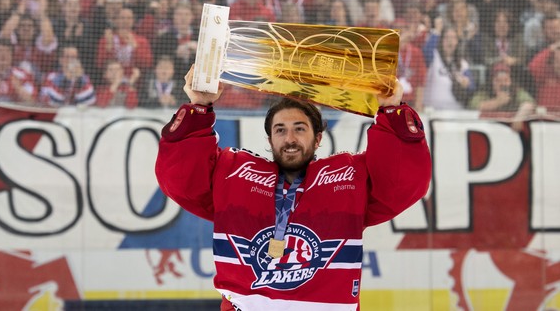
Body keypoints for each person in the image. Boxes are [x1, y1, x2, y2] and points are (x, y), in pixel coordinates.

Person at [155, 66, 431, 310]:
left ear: (318, 137)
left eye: (300, 129)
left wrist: (392, 110)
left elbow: (401, 183)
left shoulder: (348, 179)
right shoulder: (235, 174)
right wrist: (199, 106)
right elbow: (182, 180)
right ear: (269, 138)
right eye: (280, 130)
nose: (290, 138)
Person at [469, 62, 535, 132]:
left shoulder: (516, 92)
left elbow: (529, 103)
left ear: (510, 81)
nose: (502, 84)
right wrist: (497, 102)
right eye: (498, 80)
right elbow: (474, 106)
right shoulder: (485, 92)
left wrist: (519, 118)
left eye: (506, 80)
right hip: (488, 130)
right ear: (492, 81)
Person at [0, 39, 37, 104]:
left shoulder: (23, 74)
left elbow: (33, 101)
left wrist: (18, 88)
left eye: (7, 51)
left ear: (12, 56)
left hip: (15, 113)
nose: (3, 54)